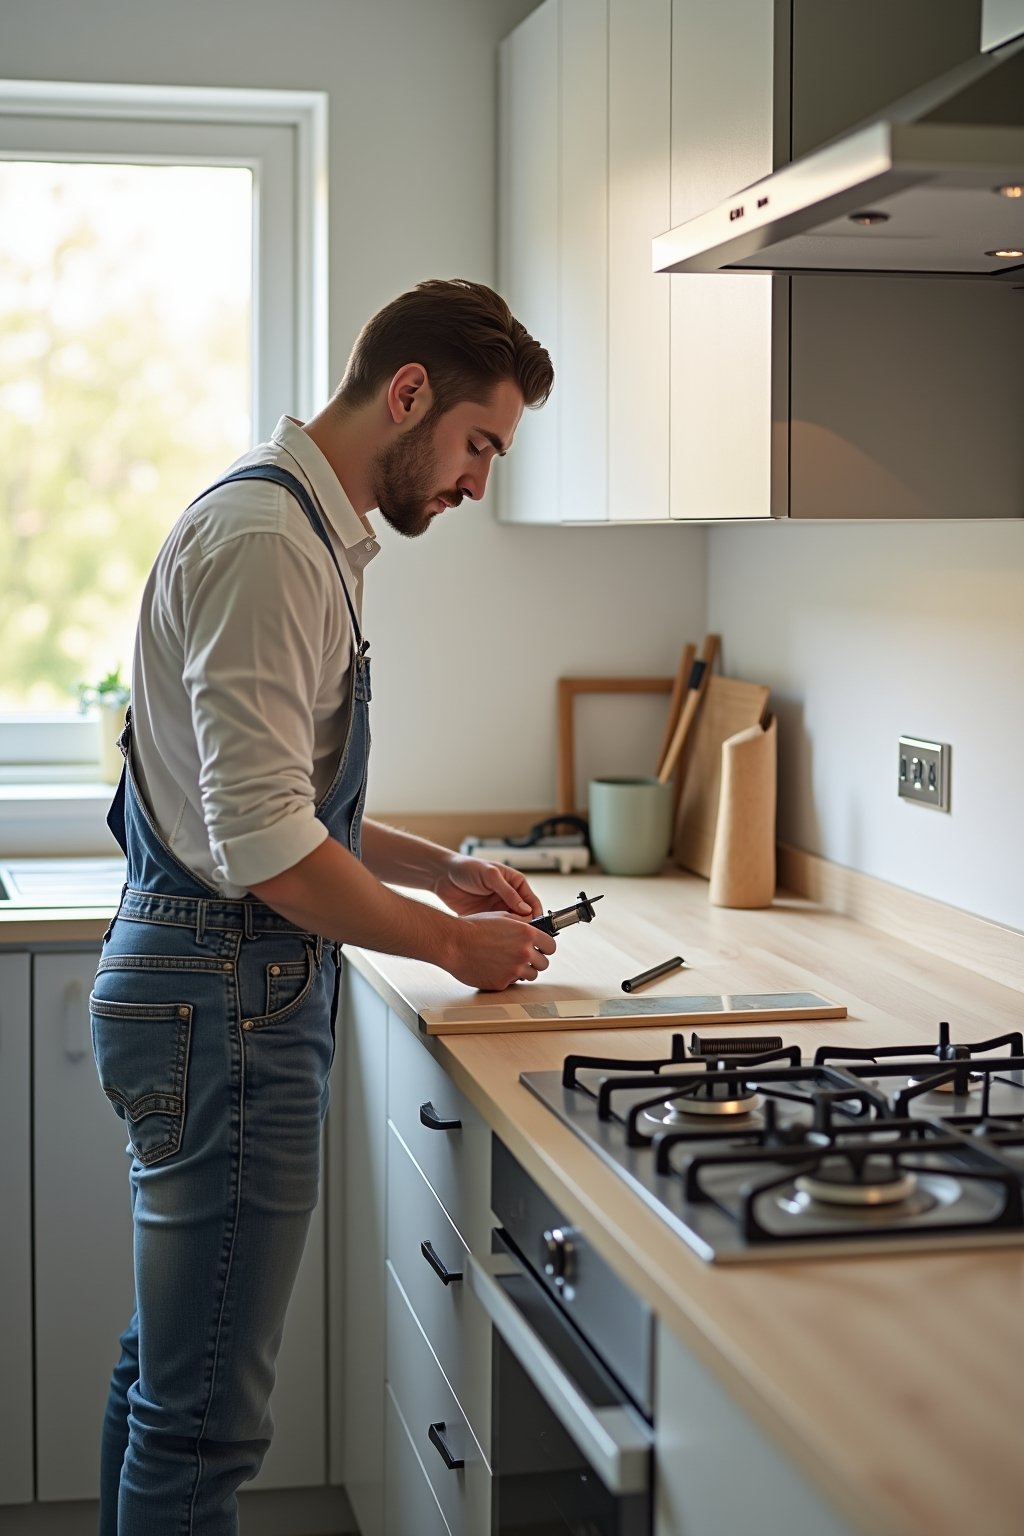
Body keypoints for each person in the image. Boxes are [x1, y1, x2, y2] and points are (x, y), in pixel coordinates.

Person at [90, 277, 555, 1535]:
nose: (476, 482)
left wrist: (434, 870)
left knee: (165, 1382)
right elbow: (265, 849)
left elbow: (276, 805)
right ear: (408, 395)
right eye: (478, 444)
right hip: (224, 998)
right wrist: (453, 944)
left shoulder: (296, 528)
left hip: (211, 987)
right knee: (202, 1426)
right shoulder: (269, 544)